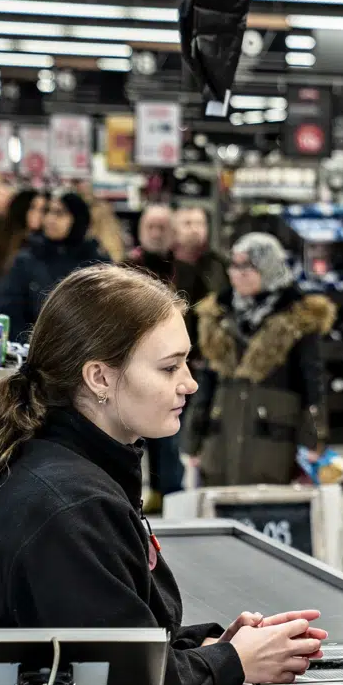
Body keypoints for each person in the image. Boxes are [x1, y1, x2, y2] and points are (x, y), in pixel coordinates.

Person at [0, 265, 326, 685]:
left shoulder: (54, 464)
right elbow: (119, 683)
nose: (190, 383)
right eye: (169, 367)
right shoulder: (71, 506)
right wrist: (235, 662)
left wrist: (212, 648)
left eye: (187, 363)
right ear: (99, 378)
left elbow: (91, 635)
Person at [185, 233, 336, 486]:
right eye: (235, 265)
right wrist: (192, 441)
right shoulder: (218, 316)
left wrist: (315, 439)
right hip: (222, 440)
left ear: (268, 267)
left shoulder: (297, 318)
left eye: (249, 266)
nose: (239, 273)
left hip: (275, 443)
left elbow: (312, 382)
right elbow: (206, 384)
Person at [128, 204, 185, 510]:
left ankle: (170, 494)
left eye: (162, 226)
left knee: (170, 437)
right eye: (151, 226)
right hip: (138, 364)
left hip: (180, 364)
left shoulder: (186, 268)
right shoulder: (126, 268)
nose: (156, 232)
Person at [0, 191, 108, 341]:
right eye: (47, 211)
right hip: (33, 350)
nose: (50, 219)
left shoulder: (96, 263)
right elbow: (9, 310)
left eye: (59, 213)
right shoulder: (28, 259)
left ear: (77, 219)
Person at [172, 206, 229, 309]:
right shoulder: (164, 264)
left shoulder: (218, 264)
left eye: (200, 224)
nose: (194, 230)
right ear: (174, 229)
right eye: (187, 223)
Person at [0, 188, 43, 280]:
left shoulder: (42, 242)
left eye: (43, 210)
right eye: (33, 208)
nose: (39, 214)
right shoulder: (0, 235)